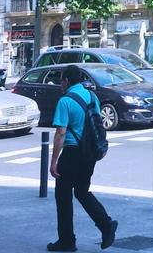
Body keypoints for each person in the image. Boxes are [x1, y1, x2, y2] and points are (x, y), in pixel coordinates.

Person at [48, 65, 117, 252]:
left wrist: (53, 162)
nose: (60, 84)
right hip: (89, 153)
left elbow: (60, 133)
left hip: (72, 152)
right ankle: (106, 224)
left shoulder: (65, 101)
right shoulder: (91, 96)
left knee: (63, 196)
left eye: (61, 80)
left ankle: (67, 241)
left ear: (67, 81)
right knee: (82, 191)